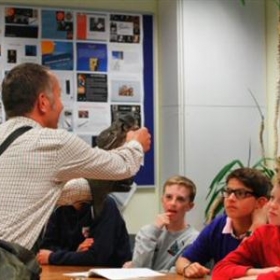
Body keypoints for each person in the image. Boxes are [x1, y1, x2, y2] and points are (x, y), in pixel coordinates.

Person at [0, 62, 151, 253]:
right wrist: (136, 143)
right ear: (43, 102)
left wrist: (96, 188)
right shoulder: (53, 142)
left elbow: (44, 193)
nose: (62, 105)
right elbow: (122, 165)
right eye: (60, 95)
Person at [176, 167, 272, 278]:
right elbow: (182, 261)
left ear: (260, 203)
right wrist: (187, 268)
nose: (230, 198)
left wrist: (256, 227)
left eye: (240, 193)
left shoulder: (272, 231)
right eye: (228, 191)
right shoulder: (218, 225)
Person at [123, 175, 199, 272]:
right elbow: (138, 269)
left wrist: (136, 268)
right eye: (168, 197)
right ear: (162, 200)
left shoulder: (193, 239)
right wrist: (154, 230)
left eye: (180, 199)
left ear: (190, 206)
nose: (172, 203)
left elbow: (177, 273)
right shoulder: (146, 232)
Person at [212, 177, 280, 280]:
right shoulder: (264, 233)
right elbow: (220, 269)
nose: (272, 205)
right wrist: (262, 272)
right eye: (272, 197)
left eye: (240, 193)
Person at [37, 196, 131, 267]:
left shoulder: (104, 204)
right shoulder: (59, 206)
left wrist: (52, 257)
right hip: (72, 271)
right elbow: (45, 250)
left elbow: (97, 257)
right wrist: (76, 254)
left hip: (112, 273)